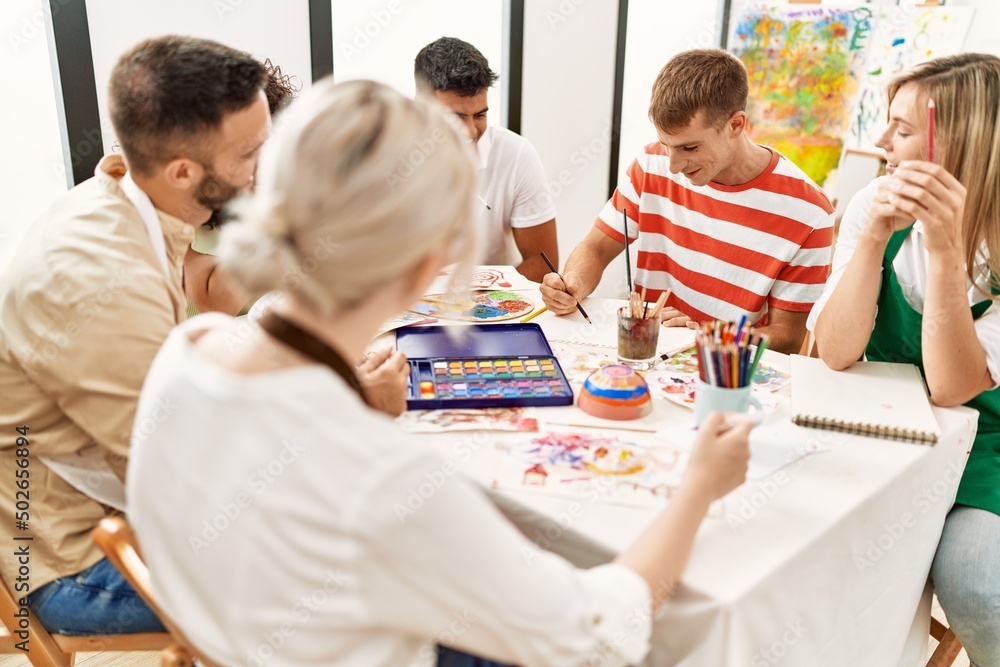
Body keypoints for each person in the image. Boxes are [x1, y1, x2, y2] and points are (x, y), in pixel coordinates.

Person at [127, 79, 752, 667]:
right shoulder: (385, 479)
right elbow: (595, 636)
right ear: (430, 262)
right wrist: (698, 488)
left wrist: (353, 404)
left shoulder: (191, 348)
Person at [0, 35, 271, 635]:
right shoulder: (96, 278)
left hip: (127, 500)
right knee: (363, 581)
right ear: (182, 171)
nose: (263, 170)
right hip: (76, 561)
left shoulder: (130, 199)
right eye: (251, 153)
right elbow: (181, 476)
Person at [809, 53, 1000, 666]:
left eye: (903, 128)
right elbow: (836, 353)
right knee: (809, 552)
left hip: (984, 449)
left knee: (981, 585)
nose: (880, 141)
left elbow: (951, 388)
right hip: (880, 427)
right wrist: (870, 238)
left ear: (960, 140)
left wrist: (945, 252)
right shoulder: (872, 203)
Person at [540, 49, 834, 355]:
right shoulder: (650, 161)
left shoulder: (810, 212)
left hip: (723, 372)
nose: (673, 165)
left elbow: (788, 336)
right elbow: (596, 248)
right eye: (667, 145)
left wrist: (705, 337)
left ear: (737, 124)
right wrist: (573, 282)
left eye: (690, 147)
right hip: (641, 353)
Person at [415, 36, 558, 283]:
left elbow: (542, 264)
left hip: (492, 304)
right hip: (405, 303)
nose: (471, 132)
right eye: (455, 117)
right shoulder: (385, 157)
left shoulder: (516, 154)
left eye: (479, 115)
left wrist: (469, 299)